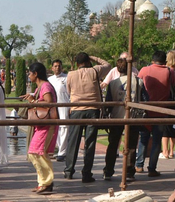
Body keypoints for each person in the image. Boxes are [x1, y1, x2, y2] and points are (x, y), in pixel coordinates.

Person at [64, 53, 111, 183]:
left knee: (73, 141)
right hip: (92, 110)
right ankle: (86, 173)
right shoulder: (95, 71)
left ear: (77, 62)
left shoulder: (71, 74)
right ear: (88, 61)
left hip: (77, 110)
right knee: (90, 143)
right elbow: (108, 65)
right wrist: (94, 57)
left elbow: (69, 91)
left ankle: (69, 170)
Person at [103, 58, 146, 181]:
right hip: (133, 117)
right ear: (130, 68)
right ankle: (129, 172)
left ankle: (108, 170)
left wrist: (108, 114)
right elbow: (144, 99)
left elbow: (109, 103)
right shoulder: (139, 82)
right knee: (132, 145)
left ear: (117, 69)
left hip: (117, 117)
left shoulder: (113, 83)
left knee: (113, 144)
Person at [137, 50, 175, 178]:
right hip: (162, 111)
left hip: (146, 110)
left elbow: (139, 84)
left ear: (152, 60)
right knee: (156, 141)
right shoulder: (170, 72)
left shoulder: (144, 70)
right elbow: (172, 86)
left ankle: (139, 164)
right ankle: (152, 168)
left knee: (143, 138)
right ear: (165, 61)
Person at [24, 62, 57, 194]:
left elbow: (49, 102)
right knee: (36, 152)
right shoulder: (40, 87)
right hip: (41, 124)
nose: (28, 75)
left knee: (37, 152)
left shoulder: (45, 86)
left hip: (46, 124)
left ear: (35, 74)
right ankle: (43, 181)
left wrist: (33, 101)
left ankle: (46, 182)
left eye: (29, 73)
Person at [160, 50, 175, 160]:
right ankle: (172, 151)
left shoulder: (166, 70)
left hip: (166, 99)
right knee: (174, 127)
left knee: (165, 126)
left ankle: (165, 151)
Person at [48, 60, 69, 161]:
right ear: (52, 68)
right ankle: (59, 149)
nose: (57, 68)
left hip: (64, 105)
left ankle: (63, 152)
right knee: (55, 128)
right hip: (53, 106)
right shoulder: (49, 79)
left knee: (64, 128)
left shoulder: (67, 78)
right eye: (55, 66)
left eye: (59, 66)